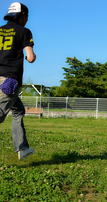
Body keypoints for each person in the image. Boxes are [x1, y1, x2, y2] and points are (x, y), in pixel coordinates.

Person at [0, 2, 36, 160]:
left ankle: (22, 148)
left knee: (18, 110)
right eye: (26, 16)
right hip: (9, 80)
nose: (27, 20)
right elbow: (30, 57)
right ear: (23, 15)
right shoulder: (24, 31)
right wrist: (32, 56)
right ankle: (21, 148)